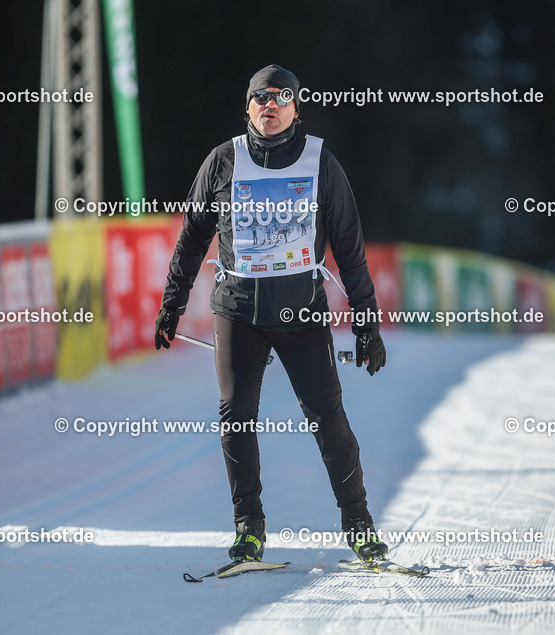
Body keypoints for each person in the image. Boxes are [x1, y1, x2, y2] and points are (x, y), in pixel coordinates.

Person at [154, 65, 389, 564]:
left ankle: (360, 525)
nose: (270, 104)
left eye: (282, 97)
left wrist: (366, 323)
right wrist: (171, 304)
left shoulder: (321, 162)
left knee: (327, 416)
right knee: (236, 417)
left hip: (302, 314)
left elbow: (349, 250)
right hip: (238, 312)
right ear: (247, 108)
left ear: (296, 109)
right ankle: (249, 529)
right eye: (260, 97)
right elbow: (192, 239)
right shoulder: (222, 162)